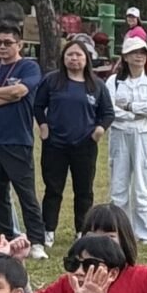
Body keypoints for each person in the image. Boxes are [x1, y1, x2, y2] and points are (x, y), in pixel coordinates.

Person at [33, 38, 113, 248]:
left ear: (87, 59)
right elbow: (38, 105)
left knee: (84, 190)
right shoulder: (52, 80)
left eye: (78, 55)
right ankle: (48, 230)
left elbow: (108, 113)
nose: (74, 58)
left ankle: (82, 231)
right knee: (53, 189)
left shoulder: (96, 85)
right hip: (55, 144)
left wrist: (99, 130)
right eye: (70, 54)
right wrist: (43, 126)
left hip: (85, 146)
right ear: (63, 58)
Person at [0, 26, 47, 258]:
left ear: (19, 45)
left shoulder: (29, 67)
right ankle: (5, 238)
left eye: (8, 42)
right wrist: (5, 96)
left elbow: (20, 91)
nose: (2, 47)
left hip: (17, 140)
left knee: (26, 194)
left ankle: (37, 241)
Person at [106, 36, 147, 242]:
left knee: (144, 185)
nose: (139, 56)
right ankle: (120, 231)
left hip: (145, 135)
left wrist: (130, 107)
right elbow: (110, 109)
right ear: (125, 57)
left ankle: (146, 233)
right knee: (118, 186)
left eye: (142, 53)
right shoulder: (114, 81)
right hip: (120, 134)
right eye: (134, 52)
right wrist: (135, 115)